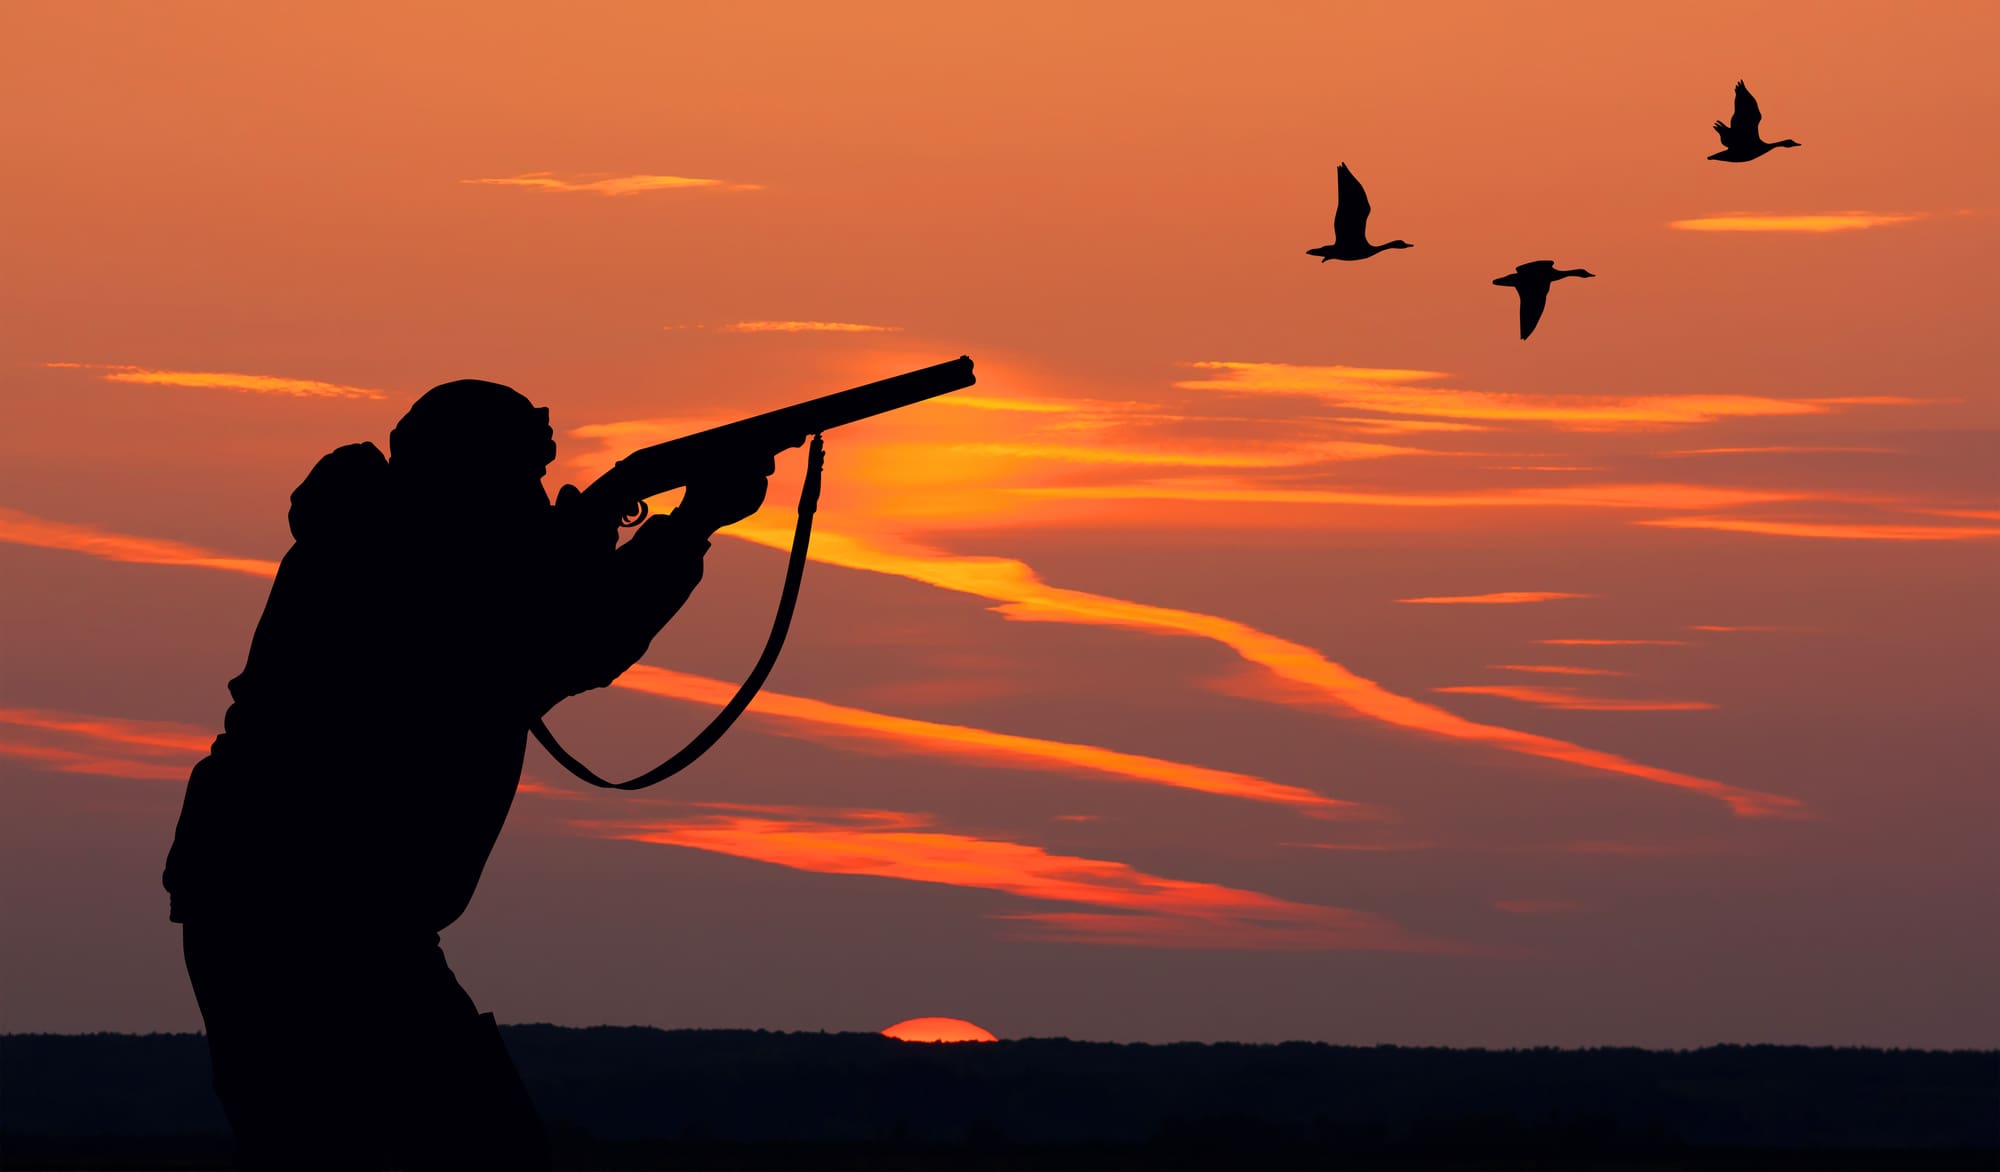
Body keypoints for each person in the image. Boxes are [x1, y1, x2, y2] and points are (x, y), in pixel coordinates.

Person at [162, 379, 771, 1170]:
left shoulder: (376, 540)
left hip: (298, 907)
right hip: (315, 917)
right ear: (468, 479)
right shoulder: (385, 558)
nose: (537, 494)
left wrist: (623, 536)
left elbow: (532, 618)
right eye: (523, 475)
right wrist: (689, 525)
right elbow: (565, 643)